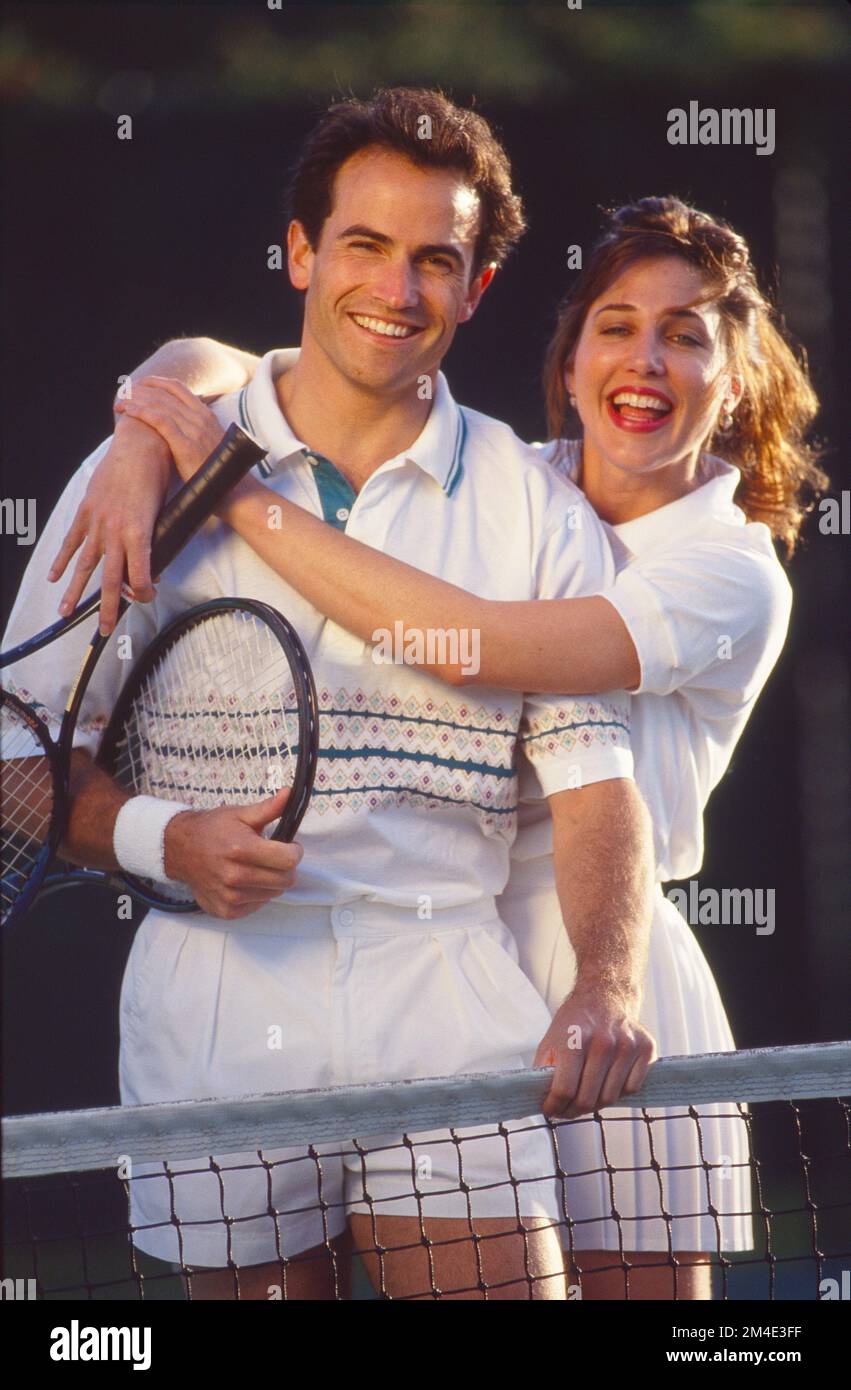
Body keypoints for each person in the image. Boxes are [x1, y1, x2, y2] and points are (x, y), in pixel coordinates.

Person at [54, 195, 825, 1299]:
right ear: (567, 366)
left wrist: (232, 493)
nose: (645, 359)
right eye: (614, 325)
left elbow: (471, 647)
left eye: (686, 334)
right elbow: (223, 358)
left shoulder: (730, 570)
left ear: (735, 380)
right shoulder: (530, 485)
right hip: (457, 962)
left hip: (606, 982)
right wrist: (142, 430)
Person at [4, 88, 659, 1301]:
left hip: (449, 1014)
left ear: (478, 288)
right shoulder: (129, 476)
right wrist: (163, 838)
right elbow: (14, 762)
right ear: (301, 251)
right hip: (212, 1023)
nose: (395, 290)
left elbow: (592, 778)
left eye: (435, 261)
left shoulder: (534, 504)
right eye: (362, 245)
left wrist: (605, 984)